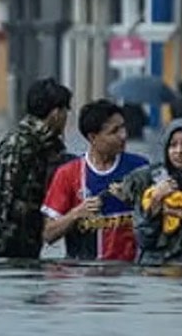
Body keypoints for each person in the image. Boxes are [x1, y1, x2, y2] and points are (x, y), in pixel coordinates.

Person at [0, 77, 73, 259]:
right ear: (56, 113)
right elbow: (2, 199)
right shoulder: (19, 144)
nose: (66, 118)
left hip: (27, 242)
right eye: (65, 111)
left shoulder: (49, 145)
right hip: (0, 246)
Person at [41, 99, 149, 262]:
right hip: (84, 276)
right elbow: (48, 234)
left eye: (123, 128)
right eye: (114, 131)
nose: (123, 136)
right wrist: (76, 214)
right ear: (93, 137)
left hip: (130, 276)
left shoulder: (140, 168)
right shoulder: (68, 174)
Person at [119, 118, 182, 264]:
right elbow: (143, 239)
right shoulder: (149, 180)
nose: (179, 151)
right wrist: (156, 200)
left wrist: (180, 213)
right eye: (173, 145)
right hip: (152, 268)